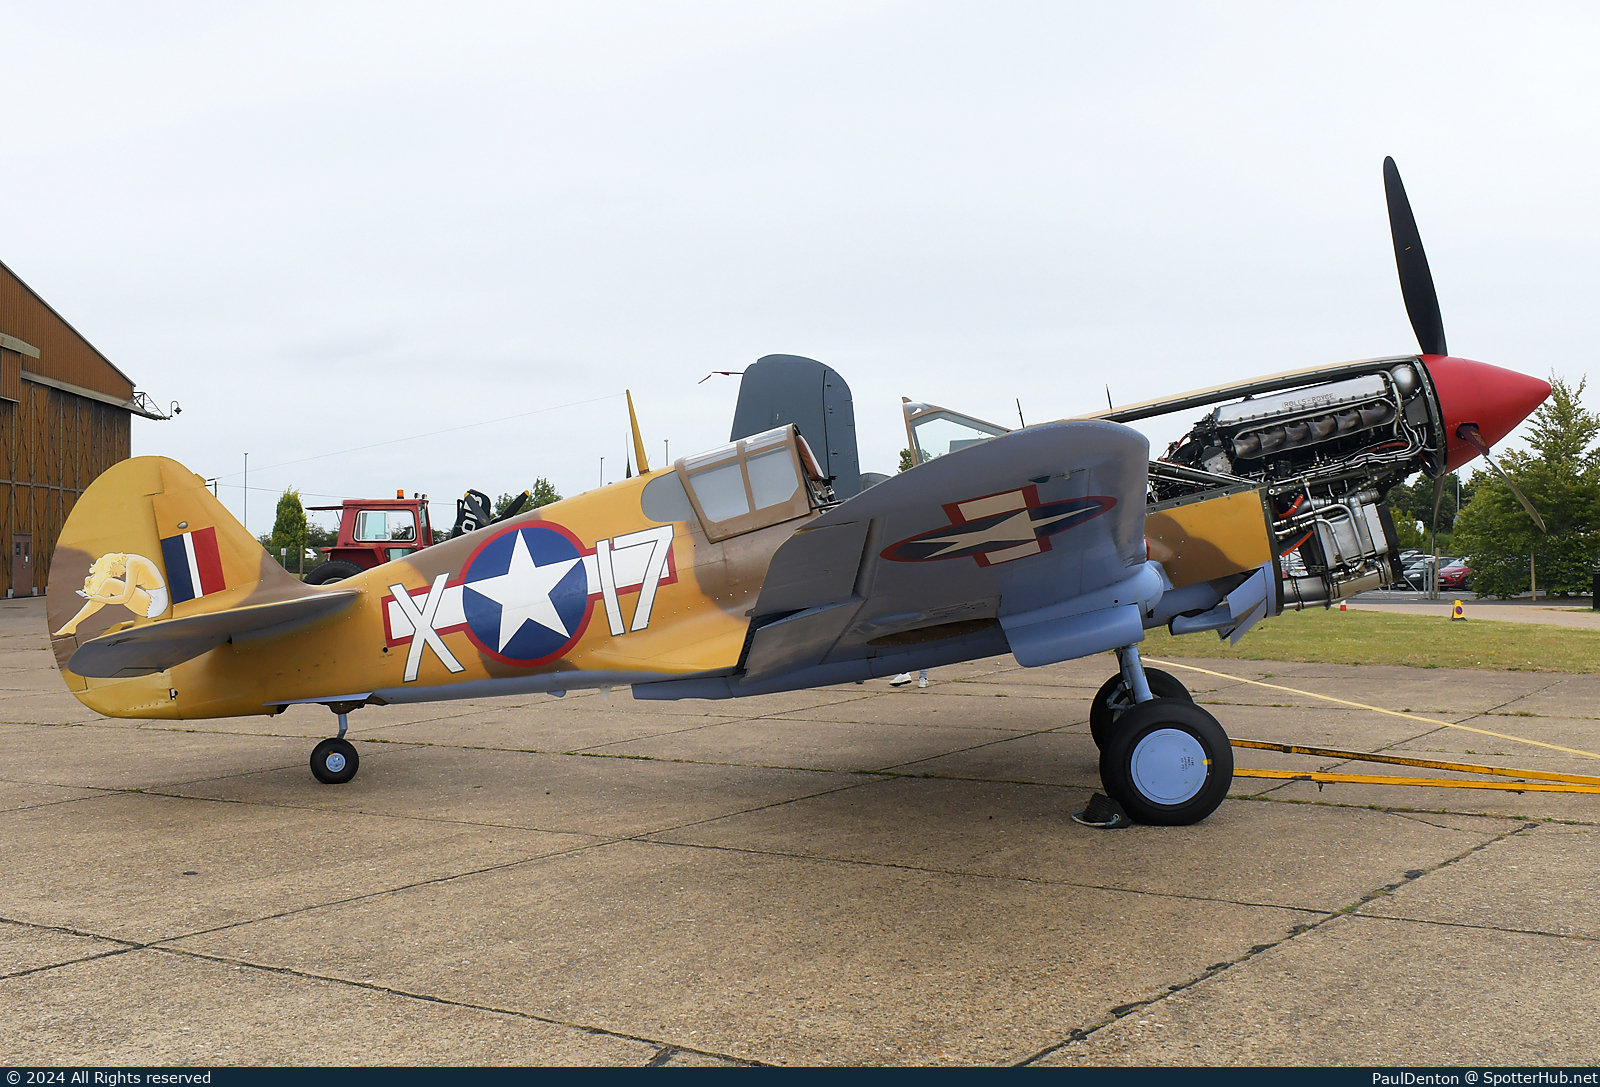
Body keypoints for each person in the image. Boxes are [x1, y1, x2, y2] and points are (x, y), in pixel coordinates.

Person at [53, 552, 169, 637]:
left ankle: (72, 624)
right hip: (153, 598)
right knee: (108, 583)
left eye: (113, 572)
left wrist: (103, 599)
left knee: (109, 583)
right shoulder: (129, 560)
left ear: (113, 563)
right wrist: (91, 580)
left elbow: (125, 597)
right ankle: (72, 624)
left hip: (154, 604)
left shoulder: (133, 563)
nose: (118, 576)